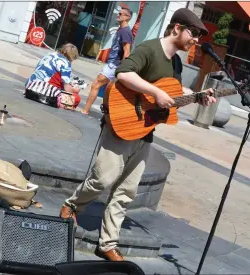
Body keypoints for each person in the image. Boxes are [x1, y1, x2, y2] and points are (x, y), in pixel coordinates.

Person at [59, 8, 217, 261]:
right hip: (123, 123)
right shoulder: (150, 49)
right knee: (102, 179)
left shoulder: (175, 62)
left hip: (145, 129)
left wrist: (197, 97)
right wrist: (154, 92)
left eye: (199, 35)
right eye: (194, 33)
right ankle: (72, 205)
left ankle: (107, 243)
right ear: (177, 28)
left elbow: (171, 96)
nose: (196, 40)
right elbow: (124, 72)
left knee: (127, 191)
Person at [81, 7, 133, 115]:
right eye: (118, 13)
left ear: (128, 17)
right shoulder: (121, 30)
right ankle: (106, 113)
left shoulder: (126, 32)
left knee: (96, 84)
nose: (118, 15)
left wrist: (122, 69)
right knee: (107, 90)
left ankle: (85, 110)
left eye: (121, 14)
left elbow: (127, 52)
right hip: (112, 64)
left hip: (115, 65)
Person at [25, 43, 81, 110]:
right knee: (76, 98)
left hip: (29, 89)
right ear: (71, 57)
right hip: (45, 95)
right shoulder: (66, 63)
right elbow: (67, 89)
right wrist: (75, 90)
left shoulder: (49, 55)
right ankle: (64, 106)